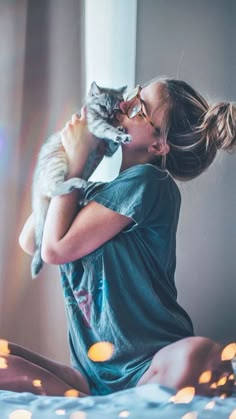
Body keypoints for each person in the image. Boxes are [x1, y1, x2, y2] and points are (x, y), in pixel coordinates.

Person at [1, 77, 235, 397]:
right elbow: (32, 240)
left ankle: (93, 401)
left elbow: (54, 250)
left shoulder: (151, 182)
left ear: (158, 145)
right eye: (134, 94)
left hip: (148, 363)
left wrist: (78, 163)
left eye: (139, 108)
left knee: (199, 356)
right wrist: (74, 162)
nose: (124, 104)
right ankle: (88, 400)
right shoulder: (92, 194)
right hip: (90, 374)